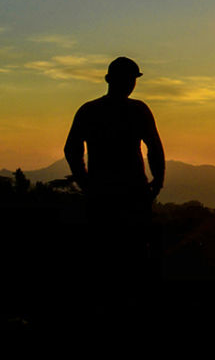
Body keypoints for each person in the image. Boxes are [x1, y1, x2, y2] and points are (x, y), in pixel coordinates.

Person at [64, 56, 165, 287]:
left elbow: (72, 149)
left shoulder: (90, 111)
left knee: (104, 258)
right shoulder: (138, 110)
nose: (131, 84)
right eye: (129, 79)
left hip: (103, 194)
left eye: (132, 79)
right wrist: (157, 182)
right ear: (112, 80)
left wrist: (85, 182)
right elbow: (154, 148)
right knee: (132, 258)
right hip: (131, 194)